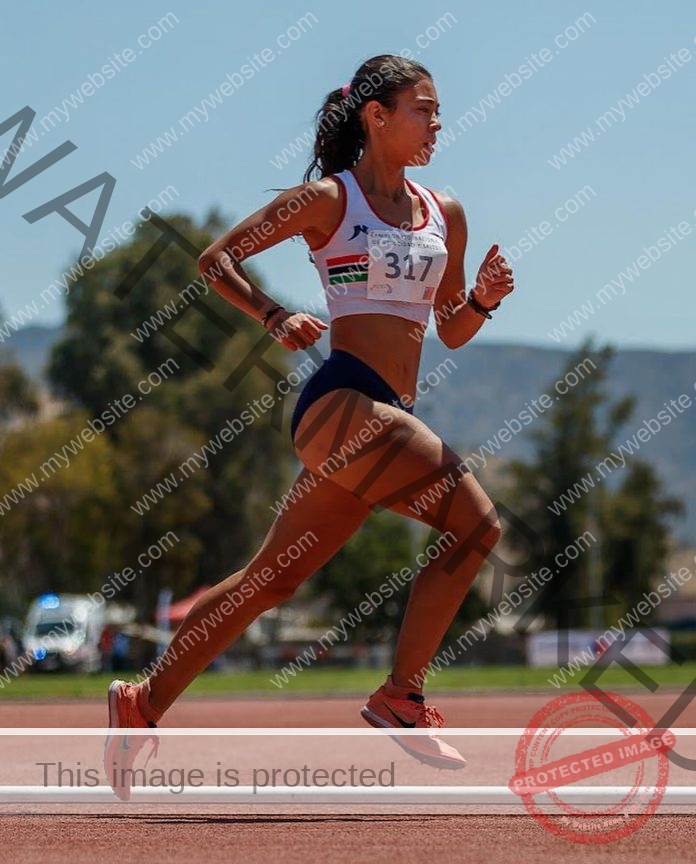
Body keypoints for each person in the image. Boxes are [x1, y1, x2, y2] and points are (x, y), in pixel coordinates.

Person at [104, 53, 515, 800]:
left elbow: (450, 329)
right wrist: (272, 314)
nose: (437, 124)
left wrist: (482, 300)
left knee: (272, 580)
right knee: (478, 524)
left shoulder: (444, 212)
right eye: (423, 110)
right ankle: (402, 695)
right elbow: (215, 259)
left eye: (438, 113)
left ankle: (141, 702)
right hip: (343, 402)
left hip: (388, 414)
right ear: (377, 116)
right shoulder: (330, 199)